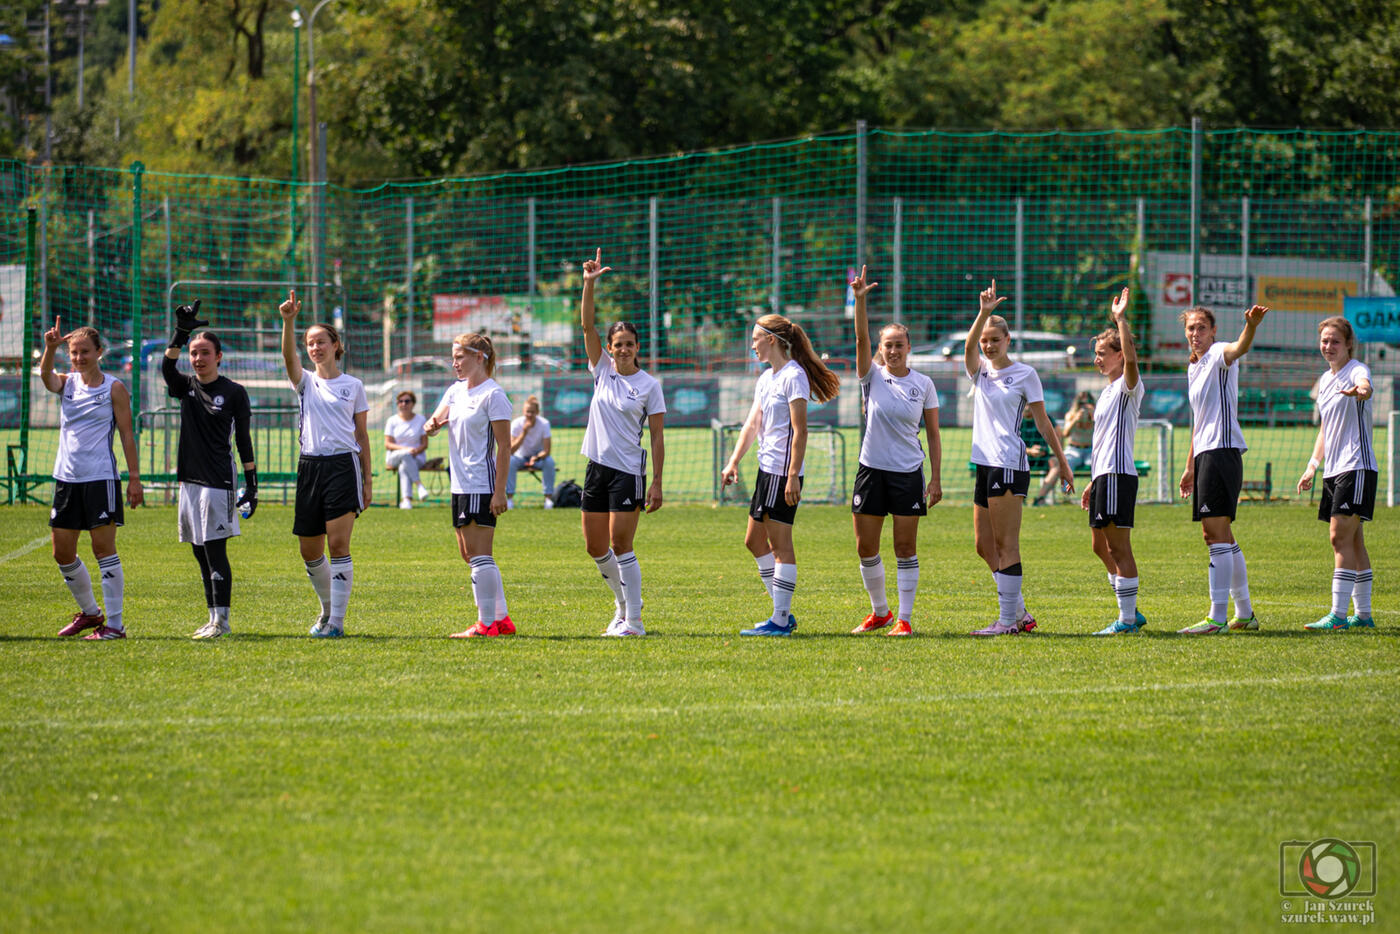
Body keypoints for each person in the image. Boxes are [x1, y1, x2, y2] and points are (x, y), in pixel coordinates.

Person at [721, 309, 841, 636]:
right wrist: (733, 462)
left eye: (755, 340)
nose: (752, 347)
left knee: (780, 545)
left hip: (781, 473)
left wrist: (792, 475)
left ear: (771, 340)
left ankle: (780, 620)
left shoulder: (793, 375)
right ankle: (782, 613)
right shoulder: (766, 378)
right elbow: (752, 425)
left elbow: (800, 432)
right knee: (753, 541)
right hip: (765, 470)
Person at [964, 280, 1072, 636]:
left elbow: (1042, 422)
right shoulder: (979, 370)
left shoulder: (1025, 374)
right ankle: (1020, 613)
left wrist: (1063, 462)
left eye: (996, 340)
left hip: (1010, 465)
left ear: (1008, 341)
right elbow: (967, 348)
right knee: (983, 545)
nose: (989, 346)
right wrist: (984, 313)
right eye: (985, 341)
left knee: (1006, 545)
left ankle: (1007, 621)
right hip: (985, 465)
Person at [847, 266, 941, 637]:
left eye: (899, 345)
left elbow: (932, 434)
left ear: (908, 348)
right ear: (881, 350)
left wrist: (934, 479)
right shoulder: (871, 375)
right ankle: (880, 612)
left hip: (907, 473)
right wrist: (860, 301)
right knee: (864, 547)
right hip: (871, 469)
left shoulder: (924, 384)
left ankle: (904, 618)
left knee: (904, 547)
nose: (893, 350)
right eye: (887, 345)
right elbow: (859, 341)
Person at [578, 249, 667, 637]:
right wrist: (589, 285)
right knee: (596, 548)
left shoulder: (649, 386)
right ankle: (622, 603)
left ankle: (634, 620)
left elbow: (659, 435)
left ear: (637, 347)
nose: (623, 348)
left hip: (629, 471)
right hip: (596, 467)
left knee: (621, 544)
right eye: (618, 343)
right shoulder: (601, 371)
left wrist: (658, 482)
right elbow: (586, 328)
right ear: (610, 348)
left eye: (630, 343)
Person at [40, 317, 143, 640]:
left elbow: (127, 435)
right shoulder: (66, 382)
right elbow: (46, 379)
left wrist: (134, 479)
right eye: (73, 352)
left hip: (101, 479)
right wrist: (49, 349)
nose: (79, 358)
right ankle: (89, 613)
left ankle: (114, 625)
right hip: (66, 480)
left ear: (99, 352)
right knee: (62, 552)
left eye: (85, 351)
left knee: (103, 550)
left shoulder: (114, 388)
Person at [161, 301, 258, 639]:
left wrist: (252, 485)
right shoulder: (186, 386)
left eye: (205, 352)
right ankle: (212, 617)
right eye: (193, 352)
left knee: (215, 550)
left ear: (219, 356)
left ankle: (223, 622)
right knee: (199, 552)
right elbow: (167, 369)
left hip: (219, 481)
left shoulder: (234, 392)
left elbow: (243, 442)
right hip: (189, 480)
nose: (198, 358)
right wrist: (180, 332)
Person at [279, 289, 372, 638]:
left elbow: (361, 436)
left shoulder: (354, 385)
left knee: (338, 545)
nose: (315, 348)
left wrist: (367, 479)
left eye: (321, 342)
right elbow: (289, 360)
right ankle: (327, 609)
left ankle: (337, 623)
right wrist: (289, 322)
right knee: (309, 550)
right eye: (310, 343)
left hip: (342, 467)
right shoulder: (305, 382)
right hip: (310, 467)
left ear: (336, 345)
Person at [1177, 302, 1269, 634]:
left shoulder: (1218, 354)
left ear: (1213, 331)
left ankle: (1217, 617)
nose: (1195, 334)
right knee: (1223, 536)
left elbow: (1238, 348)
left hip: (1222, 452)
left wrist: (1252, 326)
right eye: (1190, 328)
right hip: (1206, 455)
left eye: (1201, 327)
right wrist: (1190, 466)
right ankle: (1244, 614)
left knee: (1213, 534)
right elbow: (1198, 423)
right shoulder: (1194, 367)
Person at [424, 333, 515, 638]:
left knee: (479, 555)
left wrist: (500, 491)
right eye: (453, 357)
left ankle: (485, 624)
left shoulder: (494, 395)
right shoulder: (455, 391)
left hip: (481, 483)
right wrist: (431, 425)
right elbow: (436, 421)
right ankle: (501, 619)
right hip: (459, 485)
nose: (455, 363)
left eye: (460, 357)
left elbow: (505, 447)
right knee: (469, 554)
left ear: (480, 357)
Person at [1297, 316, 1377, 631]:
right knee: (1354, 541)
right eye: (1324, 341)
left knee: (1338, 537)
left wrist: (1361, 391)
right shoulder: (1325, 379)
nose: (1328, 346)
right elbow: (1325, 431)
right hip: (1334, 470)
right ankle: (1364, 616)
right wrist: (1311, 467)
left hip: (1356, 466)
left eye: (1335, 341)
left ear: (1348, 345)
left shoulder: (1356, 369)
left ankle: (1338, 616)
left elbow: (1366, 387)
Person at [1081, 288, 1147, 635]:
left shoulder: (1127, 385)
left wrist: (1120, 319)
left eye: (1104, 353)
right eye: (1096, 354)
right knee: (1098, 544)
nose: (1098, 359)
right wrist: (1093, 479)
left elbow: (1134, 363)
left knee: (1119, 547)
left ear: (1121, 355)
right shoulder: (1106, 392)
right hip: (1104, 476)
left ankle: (1127, 619)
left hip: (1119, 475)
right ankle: (1130, 610)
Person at [1035, 391, 1094, 504]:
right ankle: (1066, 496)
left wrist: (1094, 417)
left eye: (1088, 403)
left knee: (1096, 466)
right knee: (1067, 464)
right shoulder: (1071, 415)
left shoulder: (1097, 415)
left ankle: (1095, 495)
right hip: (1074, 448)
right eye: (1082, 403)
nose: (1085, 406)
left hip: (1090, 450)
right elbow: (1065, 433)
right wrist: (1075, 420)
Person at [507, 395, 556, 509]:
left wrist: (536, 458)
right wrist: (524, 432)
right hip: (520, 457)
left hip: (537, 458)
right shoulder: (516, 423)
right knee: (509, 461)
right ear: (523, 411)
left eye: (532, 412)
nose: (529, 414)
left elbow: (547, 451)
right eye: (527, 411)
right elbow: (511, 450)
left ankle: (548, 499)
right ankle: (509, 499)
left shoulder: (544, 424)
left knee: (549, 462)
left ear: (537, 412)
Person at [385, 391, 429, 509]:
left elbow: (425, 444)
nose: (404, 404)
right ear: (397, 404)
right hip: (394, 457)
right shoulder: (392, 420)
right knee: (405, 455)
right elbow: (388, 444)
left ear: (413, 404)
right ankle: (419, 485)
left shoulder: (421, 419)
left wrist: (415, 451)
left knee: (404, 466)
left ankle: (406, 501)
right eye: (401, 401)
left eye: (407, 401)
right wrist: (407, 450)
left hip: (417, 457)